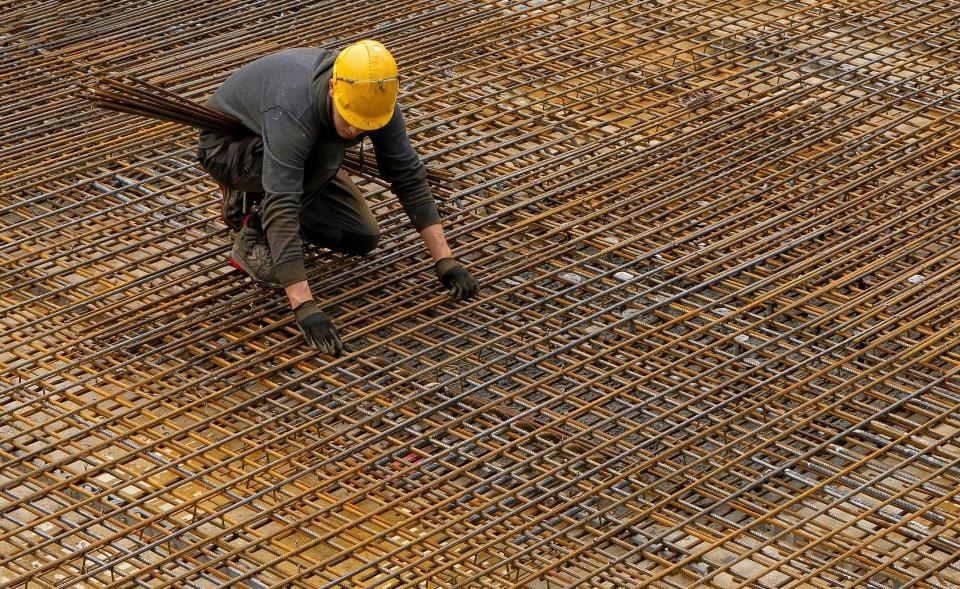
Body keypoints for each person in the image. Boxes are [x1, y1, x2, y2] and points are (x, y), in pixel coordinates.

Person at [196, 40, 479, 357]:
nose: (357, 128)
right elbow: (283, 202)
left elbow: (408, 174)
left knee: (361, 237)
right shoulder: (294, 109)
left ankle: (253, 199)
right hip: (229, 148)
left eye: (365, 124)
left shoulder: (376, 98)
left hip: (300, 153)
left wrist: (445, 260)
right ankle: (253, 229)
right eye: (351, 118)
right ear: (333, 88)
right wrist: (304, 306)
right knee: (326, 151)